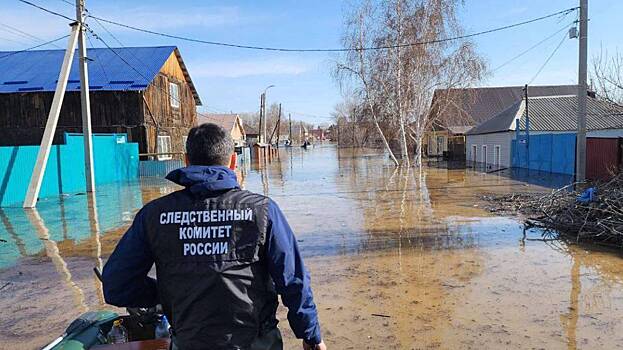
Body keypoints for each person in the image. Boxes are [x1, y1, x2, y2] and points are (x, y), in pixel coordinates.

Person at [102, 123, 326, 350]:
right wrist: (311, 335)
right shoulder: (263, 211)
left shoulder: (154, 215)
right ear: (233, 162)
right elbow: (293, 281)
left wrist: (168, 292)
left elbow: (116, 285)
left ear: (186, 161)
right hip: (255, 342)